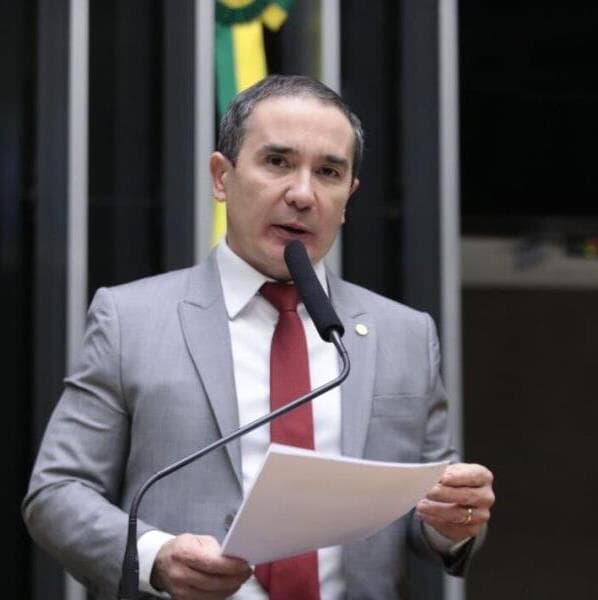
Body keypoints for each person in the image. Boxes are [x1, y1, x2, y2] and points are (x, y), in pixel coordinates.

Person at [23, 74, 494, 600]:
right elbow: (57, 493)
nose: (303, 194)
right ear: (221, 177)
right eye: (277, 162)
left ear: (348, 197)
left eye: (329, 172)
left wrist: (453, 520)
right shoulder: (131, 319)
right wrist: (157, 556)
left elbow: (433, 514)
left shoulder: (404, 334)